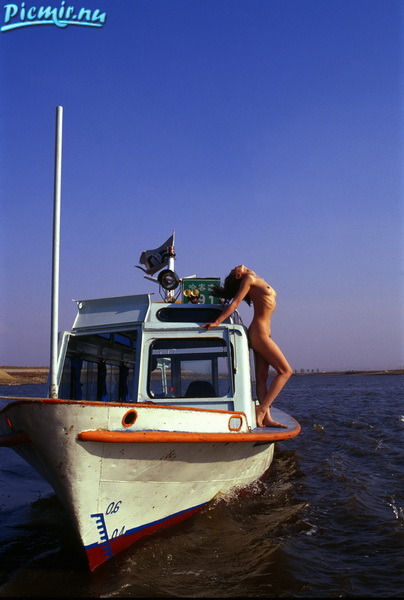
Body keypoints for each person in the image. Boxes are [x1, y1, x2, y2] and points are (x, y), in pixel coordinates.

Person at [200, 265, 293, 428]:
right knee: (286, 371)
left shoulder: (256, 279)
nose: (235, 267)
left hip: (265, 332)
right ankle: (262, 408)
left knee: (262, 376)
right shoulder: (249, 279)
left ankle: (266, 418)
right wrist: (217, 322)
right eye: (233, 270)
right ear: (238, 276)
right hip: (259, 333)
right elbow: (235, 303)